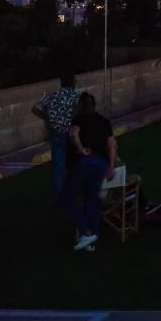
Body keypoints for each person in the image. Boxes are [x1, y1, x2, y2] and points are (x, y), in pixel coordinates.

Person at [60, 93, 117, 252]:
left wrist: (80, 150)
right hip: (101, 164)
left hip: (85, 163)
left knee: (66, 199)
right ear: (94, 105)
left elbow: (73, 135)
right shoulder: (104, 121)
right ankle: (90, 242)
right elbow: (112, 144)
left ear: (79, 106)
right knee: (92, 199)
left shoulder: (78, 120)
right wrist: (111, 165)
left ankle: (86, 231)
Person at [31, 73, 80, 200]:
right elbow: (79, 112)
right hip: (70, 135)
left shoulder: (52, 96)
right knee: (72, 164)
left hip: (56, 134)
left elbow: (34, 108)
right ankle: (72, 194)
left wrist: (48, 118)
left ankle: (60, 198)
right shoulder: (76, 96)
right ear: (72, 83)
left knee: (58, 168)